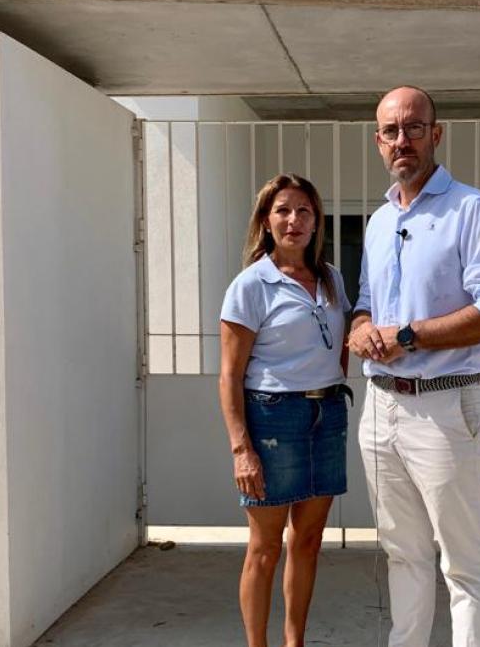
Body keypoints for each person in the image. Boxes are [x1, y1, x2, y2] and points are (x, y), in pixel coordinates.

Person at [349, 86, 480, 647]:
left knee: (464, 563)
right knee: (403, 556)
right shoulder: (378, 222)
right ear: (378, 142)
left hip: (447, 406)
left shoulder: (470, 209)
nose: (403, 140)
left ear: (435, 134)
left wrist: (407, 336)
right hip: (381, 410)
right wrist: (359, 329)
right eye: (391, 131)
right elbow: (366, 300)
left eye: (414, 128)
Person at [219, 173, 351, 647]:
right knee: (265, 547)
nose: (293, 220)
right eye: (282, 210)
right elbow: (230, 375)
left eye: (303, 211)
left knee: (309, 539)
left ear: (317, 221)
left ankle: (295, 640)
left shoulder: (332, 279)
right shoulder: (251, 285)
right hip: (274, 420)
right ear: (266, 220)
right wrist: (242, 449)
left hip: (327, 415)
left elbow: (340, 347)